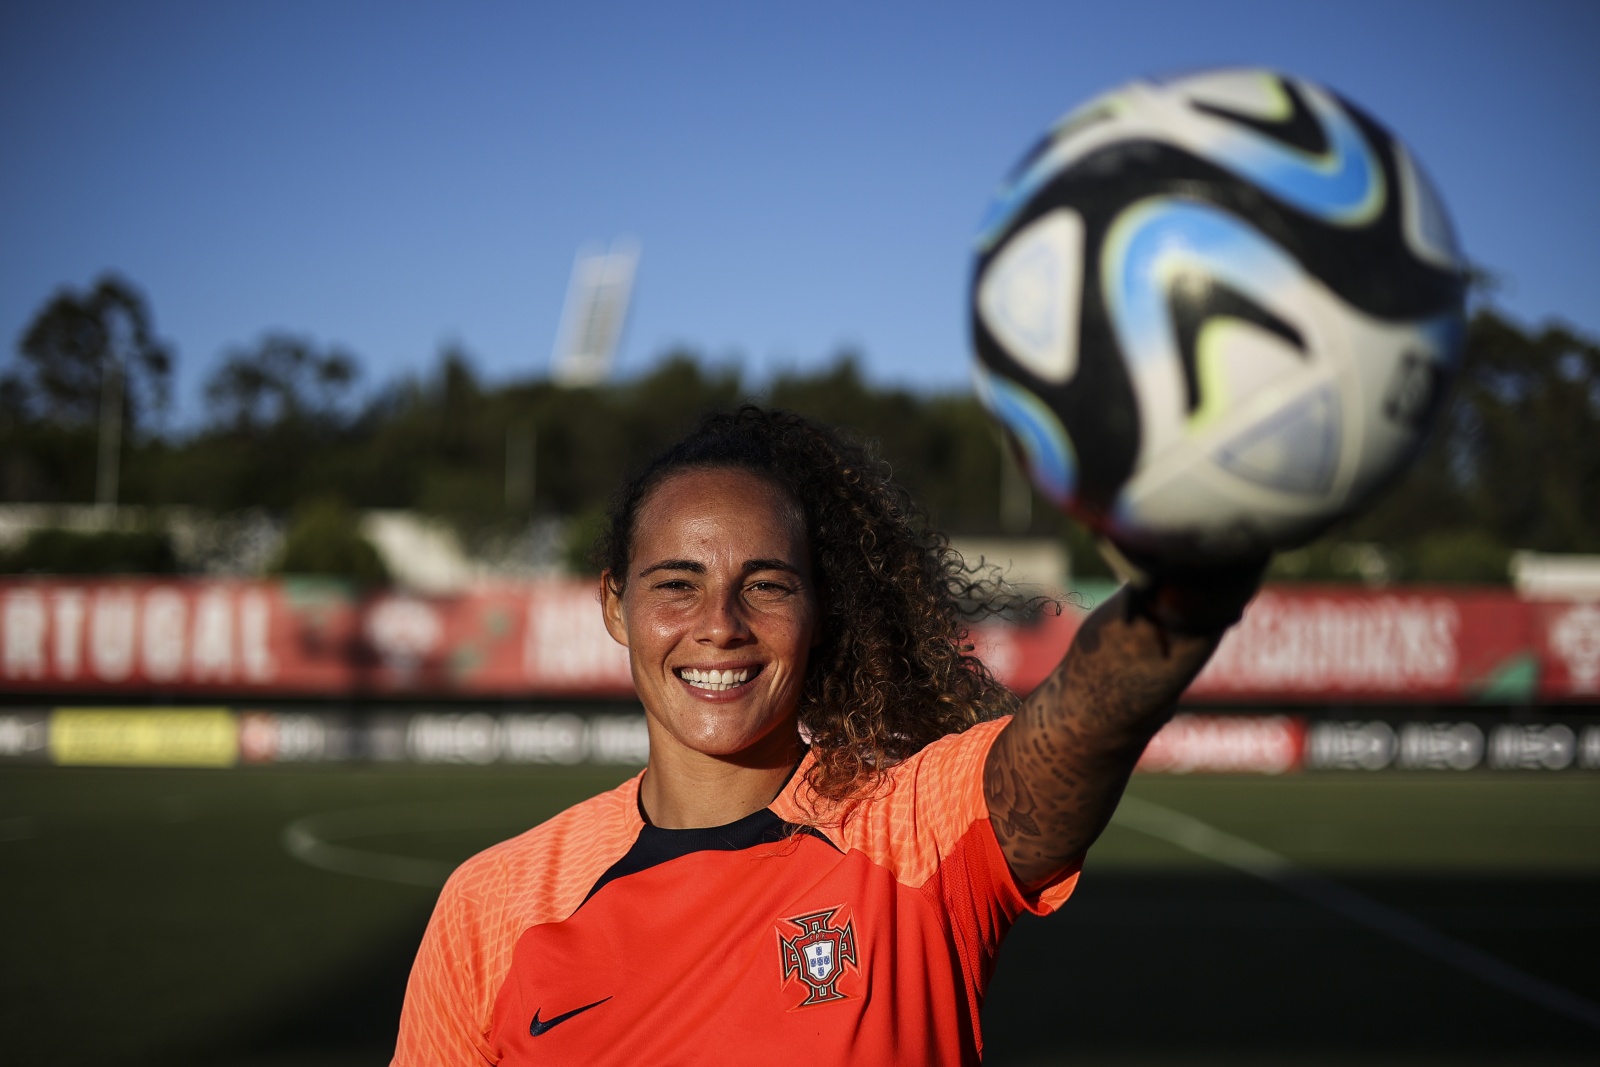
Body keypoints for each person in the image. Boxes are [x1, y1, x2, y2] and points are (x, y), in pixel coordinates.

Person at [392, 406, 1261, 1065]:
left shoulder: (911, 833)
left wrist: (1187, 595)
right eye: (678, 584)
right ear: (617, 605)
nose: (720, 625)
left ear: (819, 609)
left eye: (766, 585)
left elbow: (1082, 726)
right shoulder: (492, 908)